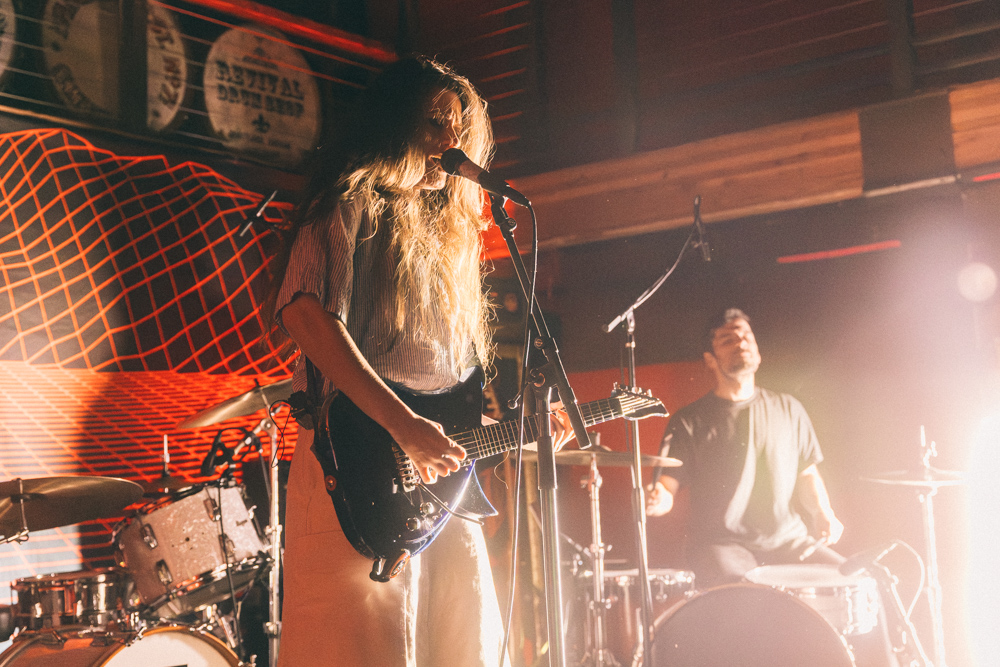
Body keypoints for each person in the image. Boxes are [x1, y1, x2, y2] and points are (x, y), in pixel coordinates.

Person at [266, 57, 506, 667]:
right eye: (431, 123)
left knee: (465, 640)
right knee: (362, 646)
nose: (448, 143)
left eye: (456, 128)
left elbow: (451, 379)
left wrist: (519, 424)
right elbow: (307, 319)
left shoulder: (451, 236)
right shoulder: (346, 203)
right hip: (353, 460)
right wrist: (404, 426)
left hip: (437, 474)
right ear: (391, 127)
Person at [645, 308, 845, 587]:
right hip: (722, 545)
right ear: (710, 360)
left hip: (788, 540)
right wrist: (657, 500)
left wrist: (824, 513)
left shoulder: (789, 408)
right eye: (728, 340)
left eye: (746, 337)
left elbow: (807, 474)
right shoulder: (689, 420)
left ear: (758, 352)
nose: (741, 343)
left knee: (853, 579)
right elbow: (667, 487)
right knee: (746, 591)